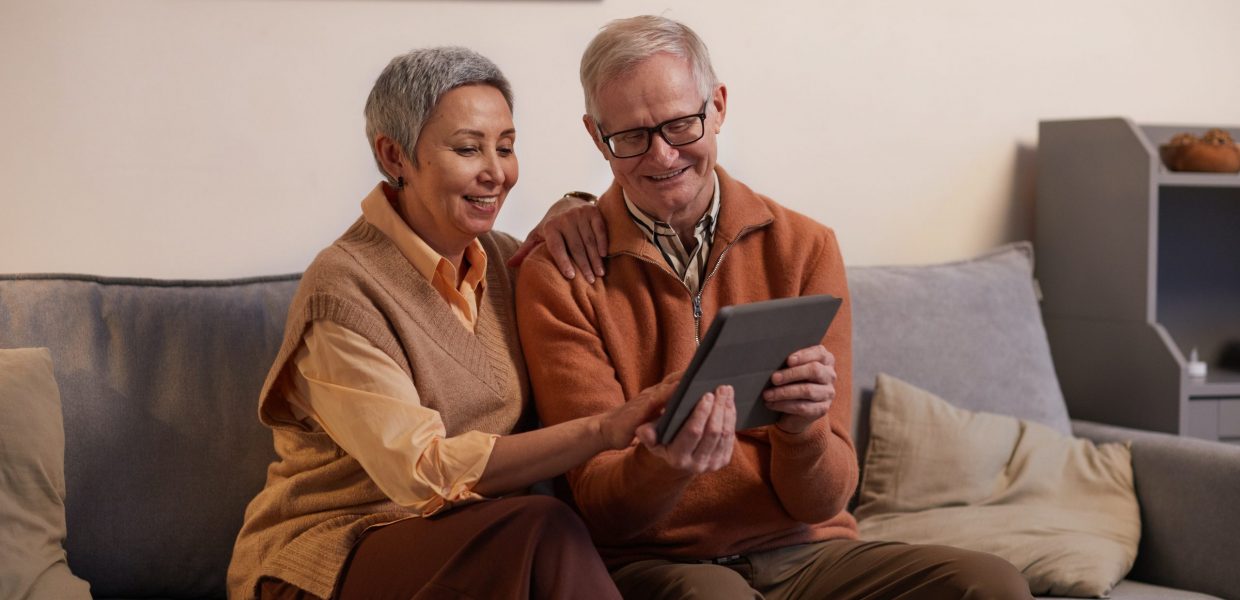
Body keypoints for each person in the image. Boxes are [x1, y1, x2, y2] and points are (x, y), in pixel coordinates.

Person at [515, 16, 1034, 599]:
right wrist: (669, 464)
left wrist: (805, 429)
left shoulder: (805, 247)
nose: (662, 156)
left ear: (718, 106)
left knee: (991, 584)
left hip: (806, 550)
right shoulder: (560, 275)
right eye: (631, 137)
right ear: (595, 135)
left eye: (682, 124)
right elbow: (603, 507)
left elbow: (826, 499)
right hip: (657, 563)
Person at [226, 46, 701, 600]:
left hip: (484, 547)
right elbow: (420, 471)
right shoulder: (342, 289)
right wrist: (605, 428)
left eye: (506, 147)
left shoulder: (505, 261)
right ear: (394, 156)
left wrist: (579, 207)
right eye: (467, 149)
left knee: (539, 532)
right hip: (329, 556)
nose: (496, 173)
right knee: (543, 527)